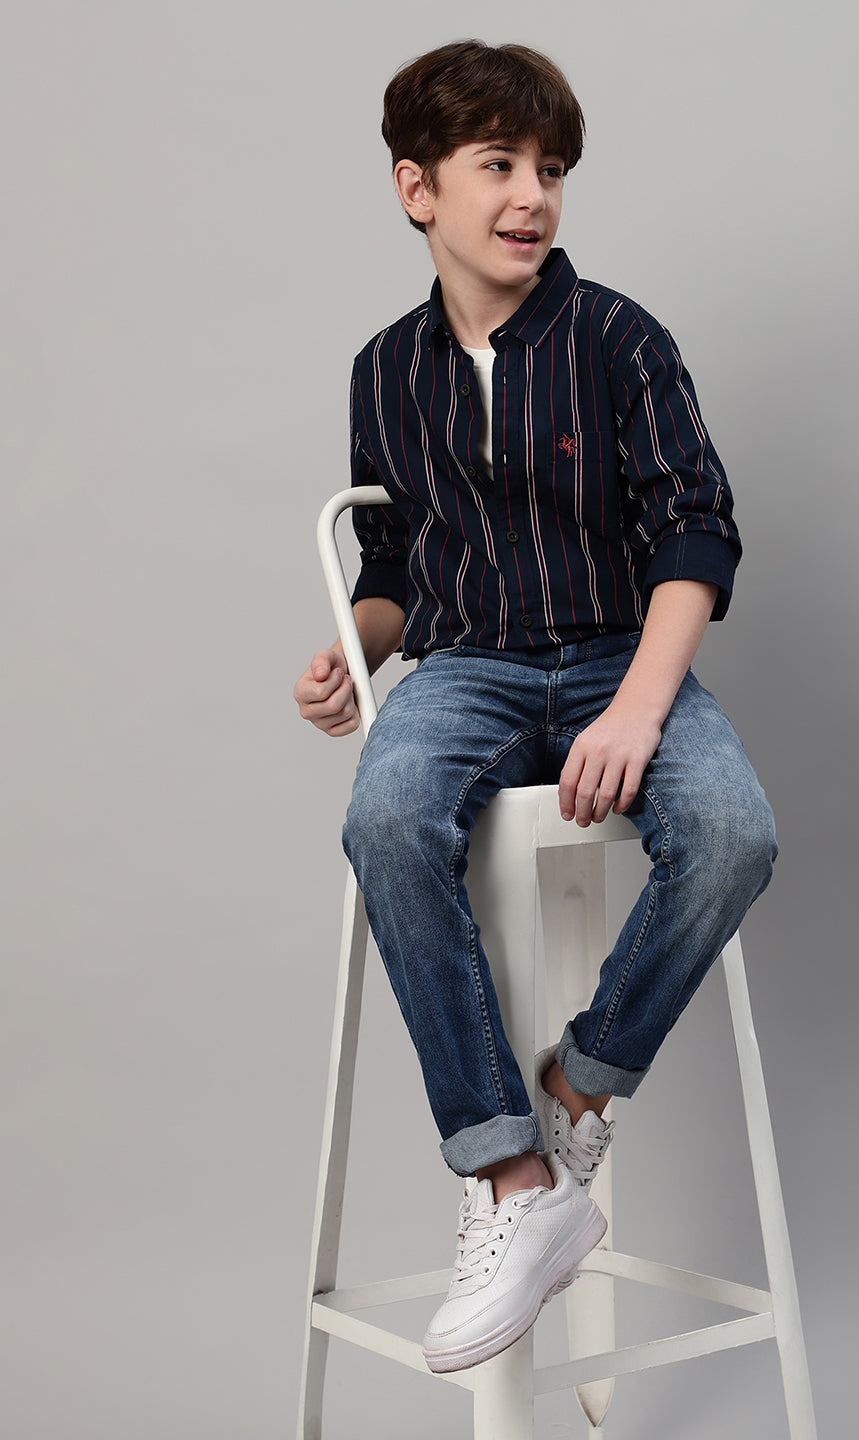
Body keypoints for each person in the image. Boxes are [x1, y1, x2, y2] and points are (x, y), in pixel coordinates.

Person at [293, 39, 777, 1374]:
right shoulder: (384, 371)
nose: (531, 196)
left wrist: (636, 711)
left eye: (550, 169)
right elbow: (396, 570)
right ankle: (510, 1176)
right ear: (418, 189)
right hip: (468, 668)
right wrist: (353, 648)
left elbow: (696, 531)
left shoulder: (619, 338)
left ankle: (573, 1092)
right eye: (497, 164)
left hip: (624, 653)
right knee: (387, 816)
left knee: (731, 833)